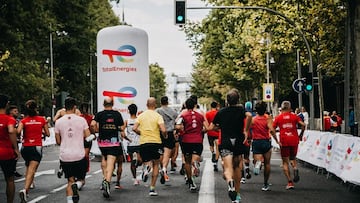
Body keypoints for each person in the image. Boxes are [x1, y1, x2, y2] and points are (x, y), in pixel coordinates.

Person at [209, 89, 252, 203]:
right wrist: (246, 130)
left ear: (227, 100)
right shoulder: (241, 110)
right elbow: (249, 116)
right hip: (238, 141)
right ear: (238, 100)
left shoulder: (221, 112)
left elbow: (210, 127)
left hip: (226, 142)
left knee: (228, 168)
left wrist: (220, 127)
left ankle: (230, 182)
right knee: (237, 167)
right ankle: (237, 196)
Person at [55, 97, 91, 203]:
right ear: (75, 107)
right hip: (79, 155)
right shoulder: (81, 120)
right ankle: (78, 185)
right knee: (81, 180)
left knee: (69, 181)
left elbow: (58, 141)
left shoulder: (58, 122)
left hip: (65, 156)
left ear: (64, 108)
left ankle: (70, 199)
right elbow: (88, 137)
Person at [90, 97, 125, 198]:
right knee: (110, 163)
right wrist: (116, 127)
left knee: (104, 159)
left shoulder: (99, 114)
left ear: (103, 104)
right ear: (113, 104)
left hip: (102, 143)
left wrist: (95, 131)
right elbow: (122, 127)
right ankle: (107, 182)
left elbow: (92, 125)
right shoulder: (117, 114)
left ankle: (104, 178)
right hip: (113, 143)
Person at [17, 100, 50, 202]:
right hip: (36, 147)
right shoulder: (41, 119)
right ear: (36, 108)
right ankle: (25, 190)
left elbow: (18, 132)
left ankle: (30, 183)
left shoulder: (23, 121)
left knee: (28, 165)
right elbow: (48, 133)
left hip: (25, 147)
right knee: (32, 168)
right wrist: (42, 131)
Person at [133, 97, 166, 196]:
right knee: (156, 163)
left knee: (147, 161)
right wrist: (165, 135)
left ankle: (146, 168)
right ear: (155, 105)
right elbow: (163, 130)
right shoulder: (158, 116)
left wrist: (141, 133)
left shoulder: (141, 116)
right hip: (156, 142)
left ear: (147, 105)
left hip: (144, 142)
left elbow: (134, 128)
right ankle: (152, 188)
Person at [176, 98, 209, 192]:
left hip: (186, 140)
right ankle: (195, 164)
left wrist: (182, 130)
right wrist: (200, 131)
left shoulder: (183, 115)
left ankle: (190, 181)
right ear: (195, 105)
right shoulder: (200, 115)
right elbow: (206, 128)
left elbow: (177, 126)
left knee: (187, 161)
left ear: (186, 106)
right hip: (197, 140)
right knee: (195, 157)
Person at [273, 101, 305, 190]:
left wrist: (276, 139)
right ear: (290, 108)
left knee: (285, 162)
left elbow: (272, 130)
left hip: (284, 141)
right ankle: (295, 168)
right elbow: (303, 125)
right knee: (293, 158)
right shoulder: (295, 116)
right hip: (294, 140)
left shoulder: (278, 117)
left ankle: (290, 182)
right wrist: (301, 134)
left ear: (282, 108)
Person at [250, 101, 277, 191]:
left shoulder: (253, 119)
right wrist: (277, 141)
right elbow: (272, 131)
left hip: (256, 142)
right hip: (266, 142)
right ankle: (265, 184)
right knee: (267, 164)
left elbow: (248, 130)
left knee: (256, 161)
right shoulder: (268, 119)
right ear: (265, 110)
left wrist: (248, 138)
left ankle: (258, 163)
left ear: (256, 110)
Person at [0, 94, 20, 203]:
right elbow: (11, 131)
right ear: (7, 104)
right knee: (10, 179)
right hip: (6, 152)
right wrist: (16, 149)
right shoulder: (9, 119)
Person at [156, 96, 178, 184]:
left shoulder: (158, 111)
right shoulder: (173, 111)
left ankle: (162, 168)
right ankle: (164, 168)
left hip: (159, 133)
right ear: (167, 102)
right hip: (169, 133)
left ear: (161, 102)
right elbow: (177, 121)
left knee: (161, 152)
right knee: (167, 152)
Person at [125, 104, 142, 185]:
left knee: (136, 161)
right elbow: (122, 130)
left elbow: (121, 130)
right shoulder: (129, 121)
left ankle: (135, 177)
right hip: (135, 143)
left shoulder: (136, 120)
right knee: (136, 161)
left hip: (134, 143)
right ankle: (135, 178)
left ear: (129, 111)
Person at [79, 102, 95, 188]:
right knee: (79, 157)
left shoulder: (90, 117)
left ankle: (83, 175)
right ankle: (79, 176)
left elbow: (92, 127)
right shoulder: (79, 118)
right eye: (83, 108)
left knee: (85, 156)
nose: (85, 110)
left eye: (86, 108)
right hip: (79, 140)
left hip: (87, 140)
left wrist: (93, 134)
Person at [6, 105, 22, 178]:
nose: (17, 112)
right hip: (10, 142)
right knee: (13, 156)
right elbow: (12, 131)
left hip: (14, 140)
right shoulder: (11, 119)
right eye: (15, 111)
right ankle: (11, 171)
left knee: (14, 157)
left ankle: (13, 170)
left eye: (17, 111)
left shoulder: (16, 120)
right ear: (10, 112)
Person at [241, 101, 254, 184]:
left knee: (239, 158)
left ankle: (242, 176)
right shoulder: (252, 116)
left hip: (239, 138)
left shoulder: (239, 117)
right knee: (246, 156)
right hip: (249, 137)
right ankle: (247, 168)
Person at [205, 101, 220, 172]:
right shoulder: (219, 113)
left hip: (210, 132)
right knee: (218, 147)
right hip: (217, 132)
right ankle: (216, 162)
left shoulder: (207, 113)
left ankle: (213, 153)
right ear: (216, 106)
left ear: (211, 106)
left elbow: (206, 123)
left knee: (211, 146)